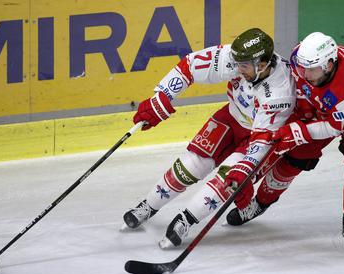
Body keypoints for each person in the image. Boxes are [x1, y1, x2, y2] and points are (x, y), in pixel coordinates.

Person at [121, 28, 296, 248]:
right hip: (231, 117)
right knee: (189, 165)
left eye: (244, 66)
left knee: (226, 181)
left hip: (259, 138)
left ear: (261, 65)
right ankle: (149, 205)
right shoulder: (240, 59)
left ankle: (186, 219)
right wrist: (162, 96)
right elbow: (190, 66)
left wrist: (246, 170)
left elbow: (262, 139)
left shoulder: (281, 92)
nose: (238, 68)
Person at [224, 32, 344, 257]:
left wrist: (298, 131)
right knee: (295, 157)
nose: (305, 74)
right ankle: (261, 203)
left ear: (329, 65)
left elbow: (337, 125)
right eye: (302, 68)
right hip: (320, 108)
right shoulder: (303, 57)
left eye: (311, 70)